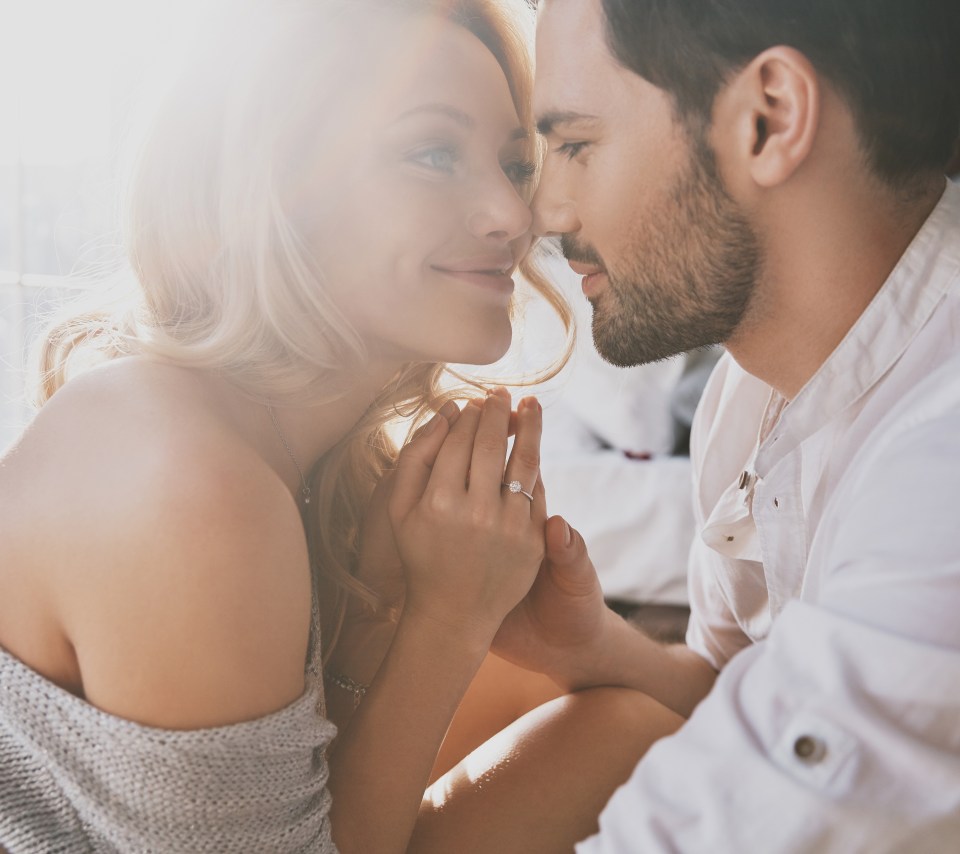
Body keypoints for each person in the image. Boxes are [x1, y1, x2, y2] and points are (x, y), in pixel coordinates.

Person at [0, 1, 683, 851]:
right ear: (272, 191)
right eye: (432, 152)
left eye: (514, 164)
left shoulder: (304, 462)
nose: (516, 216)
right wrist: (444, 622)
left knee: (611, 723)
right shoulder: (185, 482)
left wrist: (560, 638)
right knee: (623, 744)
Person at [440, 0, 958, 849]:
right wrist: (594, 648)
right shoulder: (749, 396)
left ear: (769, 119)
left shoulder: (941, 465)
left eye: (574, 146)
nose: (545, 212)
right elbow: (742, 690)